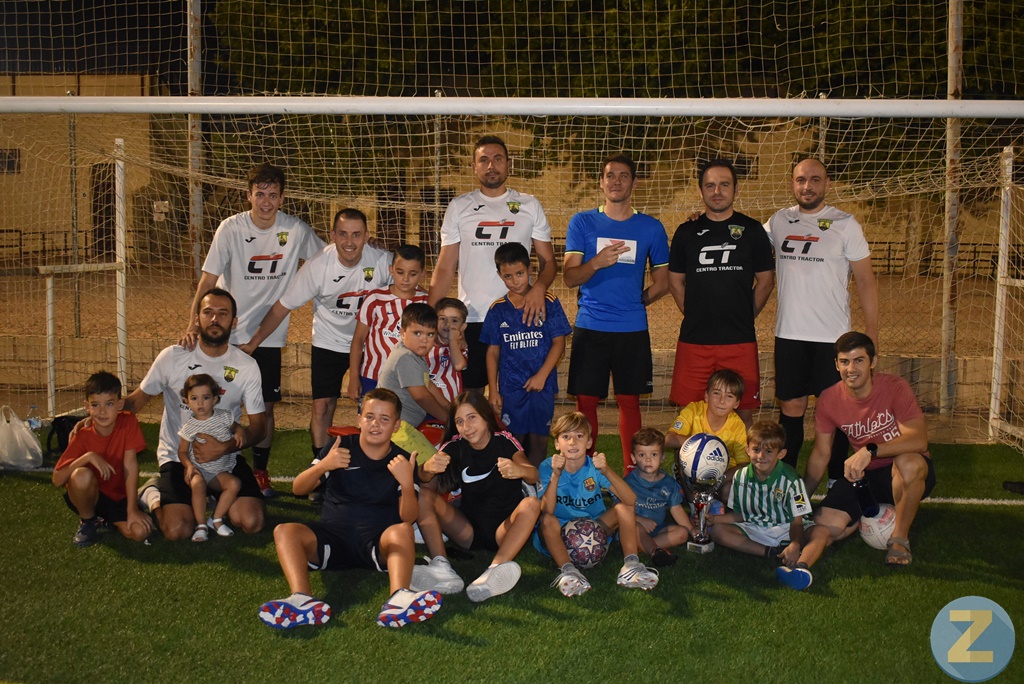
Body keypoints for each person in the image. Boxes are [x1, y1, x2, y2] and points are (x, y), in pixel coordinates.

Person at [181, 163, 325, 497]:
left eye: (273, 195)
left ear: (282, 198)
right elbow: (208, 280)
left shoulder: (295, 230)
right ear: (248, 195)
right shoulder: (230, 228)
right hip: (226, 334)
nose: (266, 202)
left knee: (265, 408)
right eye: (260, 194)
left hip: (268, 337)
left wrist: (369, 249)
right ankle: (207, 468)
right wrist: (192, 325)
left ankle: (260, 472)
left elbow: (328, 256)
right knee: (212, 405)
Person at [258, 388, 442, 629]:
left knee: (403, 531)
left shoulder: (402, 459)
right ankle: (302, 599)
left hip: (376, 544)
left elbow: (408, 517)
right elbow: (299, 489)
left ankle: (399, 598)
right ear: (359, 419)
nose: (375, 424)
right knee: (285, 531)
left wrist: (407, 483)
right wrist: (324, 465)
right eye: (370, 417)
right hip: (331, 540)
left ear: (396, 425)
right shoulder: (340, 447)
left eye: (384, 419)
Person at [779, 332, 935, 590]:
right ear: (836, 365)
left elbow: (919, 440)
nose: (851, 369)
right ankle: (803, 564)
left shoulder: (895, 387)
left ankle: (899, 538)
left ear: (873, 362)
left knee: (909, 463)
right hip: (864, 477)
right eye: (844, 362)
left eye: (859, 360)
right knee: (824, 523)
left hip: (903, 470)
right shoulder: (829, 399)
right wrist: (802, 499)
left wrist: (870, 450)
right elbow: (821, 453)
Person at [240, 208, 391, 458]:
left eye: (356, 234)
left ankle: (376, 462)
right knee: (322, 407)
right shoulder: (318, 265)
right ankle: (320, 466)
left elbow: (409, 283)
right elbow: (282, 307)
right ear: (332, 235)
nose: (349, 242)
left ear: (367, 236)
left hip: (370, 344)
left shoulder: (383, 261)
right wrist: (254, 342)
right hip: (328, 341)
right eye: (343, 234)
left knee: (378, 406)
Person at [764, 157, 879, 470]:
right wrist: (706, 220)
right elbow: (745, 240)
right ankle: (785, 480)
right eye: (801, 179)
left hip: (833, 338)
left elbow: (866, 281)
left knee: (836, 412)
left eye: (815, 180)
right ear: (792, 183)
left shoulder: (846, 224)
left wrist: (871, 334)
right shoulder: (779, 221)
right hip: (789, 334)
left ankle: (837, 480)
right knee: (791, 409)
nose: (807, 186)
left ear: (827, 184)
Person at [134, 288, 268, 541]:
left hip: (225, 459)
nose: (215, 319)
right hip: (178, 456)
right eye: (208, 312)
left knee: (252, 521)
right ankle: (151, 494)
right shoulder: (173, 356)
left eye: (223, 313)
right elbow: (136, 400)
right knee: (177, 530)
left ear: (234, 322)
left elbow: (259, 427)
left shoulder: (246, 366)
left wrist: (225, 448)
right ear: (197, 319)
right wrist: (98, 416)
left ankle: (211, 494)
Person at [563, 153, 670, 469]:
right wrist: (596, 262)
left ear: (634, 183)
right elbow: (570, 277)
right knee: (586, 404)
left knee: (629, 402)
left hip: (631, 329)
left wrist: (635, 303)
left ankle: (632, 472)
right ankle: (583, 473)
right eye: (610, 175)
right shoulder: (582, 222)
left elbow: (663, 282)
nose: (617, 181)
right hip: (590, 326)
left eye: (624, 175)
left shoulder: (651, 227)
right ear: (601, 182)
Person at [428, 135, 557, 390]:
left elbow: (549, 261)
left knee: (517, 393)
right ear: (474, 167)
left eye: (497, 159)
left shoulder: (529, 205)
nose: (491, 166)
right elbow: (444, 267)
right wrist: (430, 317)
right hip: (474, 316)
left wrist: (539, 290)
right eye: (483, 160)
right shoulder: (459, 206)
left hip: (520, 314)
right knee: (472, 397)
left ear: (508, 164)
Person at [667, 158, 775, 427]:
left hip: (739, 339)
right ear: (701, 190)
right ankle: (691, 457)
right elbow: (675, 281)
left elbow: (765, 281)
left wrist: (745, 314)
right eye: (710, 185)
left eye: (724, 185)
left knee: (743, 412)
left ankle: (740, 457)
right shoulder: (686, 231)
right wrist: (694, 312)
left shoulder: (753, 230)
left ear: (736, 189)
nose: (717, 191)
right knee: (690, 413)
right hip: (695, 339)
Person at [412, 391, 542, 602]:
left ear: (485, 416)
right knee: (423, 494)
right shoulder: (455, 445)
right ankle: (441, 567)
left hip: (503, 531)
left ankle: (495, 569)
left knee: (532, 503)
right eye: (460, 421)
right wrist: (427, 468)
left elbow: (533, 474)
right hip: (467, 531)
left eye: (472, 417)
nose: (467, 426)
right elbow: (424, 480)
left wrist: (519, 470)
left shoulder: (505, 440)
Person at [536, 411, 660, 597]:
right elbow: (547, 510)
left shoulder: (593, 467)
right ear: (557, 444)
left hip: (594, 529)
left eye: (579, 436)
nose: (572, 442)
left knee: (623, 508)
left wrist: (606, 470)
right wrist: (556, 475)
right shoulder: (547, 467)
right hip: (558, 533)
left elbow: (630, 500)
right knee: (547, 520)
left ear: (589, 442)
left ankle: (631, 566)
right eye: (566, 437)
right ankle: (569, 571)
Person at [482, 242, 572, 465]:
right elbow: (492, 351)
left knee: (539, 441)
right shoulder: (497, 309)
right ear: (500, 275)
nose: (515, 281)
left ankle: (536, 482)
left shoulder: (549, 302)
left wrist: (542, 375)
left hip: (543, 385)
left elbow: (559, 343)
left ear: (530, 269)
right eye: (508, 276)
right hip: (512, 387)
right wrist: (493, 389)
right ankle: (513, 484)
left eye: (520, 273)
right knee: (513, 441)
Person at [52, 371, 152, 547]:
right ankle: (88, 520)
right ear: (87, 407)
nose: (102, 411)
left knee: (140, 532)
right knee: (81, 475)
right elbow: (57, 479)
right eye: (95, 405)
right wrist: (88, 457)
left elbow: (130, 465)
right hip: (91, 497)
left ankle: (107, 519)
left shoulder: (128, 422)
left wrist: (132, 510)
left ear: (120, 404)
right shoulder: (82, 435)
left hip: (117, 496)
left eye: (109, 404)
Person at [708, 421, 812, 575]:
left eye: (769, 451)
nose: (761, 456)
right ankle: (771, 552)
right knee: (717, 531)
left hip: (786, 527)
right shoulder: (740, 476)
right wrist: (715, 519)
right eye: (756, 450)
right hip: (756, 527)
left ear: (781, 454)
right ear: (747, 450)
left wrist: (796, 543)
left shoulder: (792, 480)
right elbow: (741, 515)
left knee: (820, 532)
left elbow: (797, 522)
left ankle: (801, 562)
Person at [348, 244, 428, 399]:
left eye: (412, 274)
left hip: (411, 379)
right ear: (391, 270)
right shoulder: (375, 299)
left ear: (422, 274)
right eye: (400, 272)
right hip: (373, 376)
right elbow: (358, 340)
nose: (405, 279)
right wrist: (353, 377)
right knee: (372, 414)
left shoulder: (426, 301)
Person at [377, 302, 450, 459]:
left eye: (430, 334)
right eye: (417, 333)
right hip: (397, 429)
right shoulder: (406, 358)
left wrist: (452, 409)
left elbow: (429, 386)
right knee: (432, 464)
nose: (424, 340)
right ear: (402, 332)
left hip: (403, 426)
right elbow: (422, 397)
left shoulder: (415, 356)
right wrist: (449, 419)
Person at [176, 374, 245, 541]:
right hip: (199, 469)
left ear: (214, 399)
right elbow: (182, 451)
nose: (200, 403)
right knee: (198, 484)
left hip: (219, 472)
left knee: (234, 484)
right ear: (186, 401)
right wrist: (189, 466)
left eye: (205, 398)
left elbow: (236, 427)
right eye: (194, 398)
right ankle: (201, 525)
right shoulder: (189, 427)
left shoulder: (224, 416)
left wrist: (240, 432)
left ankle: (216, 519)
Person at [624, 428, 693, 567]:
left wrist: (692, 530)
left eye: (654, 454)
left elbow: (676, 509)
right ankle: (654, 551)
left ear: (662, 457)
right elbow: (619, 510)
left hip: (658, 528)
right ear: (633, 458)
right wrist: (640, 519)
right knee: (635, 527)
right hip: (635, 526)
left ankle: (643, 547)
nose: (648, 459)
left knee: (682, 533)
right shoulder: (628, 483)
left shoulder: (668, 483)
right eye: (642, 455)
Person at [665, 369, 749, 471]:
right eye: (716, 393)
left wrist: (720, 478)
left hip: (722, 473)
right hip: (688, 469)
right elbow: (669, 439)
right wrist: (704, 446)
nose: (722, 401)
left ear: (736, 403)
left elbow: (744, 464)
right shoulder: (694, 411)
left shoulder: (737, 426)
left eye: (729, 396)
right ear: (706, 396)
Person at [428, 297, 469, 403]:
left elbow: (459, 366)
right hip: (426, 402)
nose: (447, 324)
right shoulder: (426, 343)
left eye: (454, 320)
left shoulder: (460, 346)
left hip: (450, 402)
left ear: (463, 327)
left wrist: (452, 340)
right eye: (442, 318)